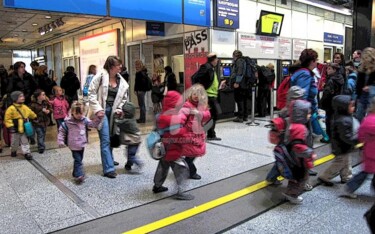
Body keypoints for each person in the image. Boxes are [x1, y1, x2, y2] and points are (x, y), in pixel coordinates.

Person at [88, 55, 129, 179]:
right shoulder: (100, 76)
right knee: (105, 139)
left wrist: (119, 108)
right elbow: (91, 93)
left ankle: (109, 159)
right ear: (111, 67)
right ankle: (108, 168)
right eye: (118, 65)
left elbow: (124, 98)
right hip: (101, 112)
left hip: (113, 113)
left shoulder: (121, 81)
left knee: (111, 136)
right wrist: (98, 109)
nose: (120, 67)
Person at [152, 90, 194, 200]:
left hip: (163, 148)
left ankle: (157, 186)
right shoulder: (176, 119)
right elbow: (180, 134)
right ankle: (181, 192)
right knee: (182, 169)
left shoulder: (160, 116)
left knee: (162, 167)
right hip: (173, 149)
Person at [57, 101, 103, 184]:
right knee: (78, 160)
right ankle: (79, 175)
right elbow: (61, 131)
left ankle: (75, 173)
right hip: (73, 145)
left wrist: (98, 118)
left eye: (81, 113)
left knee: (79, 159)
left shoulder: (84, 120)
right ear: (72, 112)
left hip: (82, 144)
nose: (79, 115)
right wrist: (60, 141)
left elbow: (92, 124)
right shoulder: (68, 122)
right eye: (77, 113)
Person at [318, 95, 358, 186]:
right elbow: (345, 137)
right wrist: (355, 140)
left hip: (344, 146)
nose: (354, 108)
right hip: (341, 146)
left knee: (347, 161)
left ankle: (346, 176)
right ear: (343, 108)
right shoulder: (342, 121)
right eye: (351, 106)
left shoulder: (343, 117)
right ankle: (325, 176)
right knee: (340, 162)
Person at [291, 49, 329, 143]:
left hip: (302, 112)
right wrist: (306, 114)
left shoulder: (301, 72)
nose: (317, 62)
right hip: (303, 114)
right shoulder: (305, 74)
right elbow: (302, 95)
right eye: (316, 60)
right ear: (311, 61)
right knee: (304, 142)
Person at [283, 100, 316, 204]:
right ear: (301, 114)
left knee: (295, 178)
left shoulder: (294, 124)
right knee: (301, 178)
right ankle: (293, 195)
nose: (310, 116)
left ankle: (290, 192)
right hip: (300, 160)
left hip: (294, 159)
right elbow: (298, 146)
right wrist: (309, 153)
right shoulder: (300, 128)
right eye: (308, 113)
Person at [343, 96, 375, 198]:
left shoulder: (369, 118)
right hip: (372, 153)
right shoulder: (371, 120)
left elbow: (361, 134)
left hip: (370, 151)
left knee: (367, 172)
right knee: (365, 173)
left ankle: (349, 187)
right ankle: (349, 187)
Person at [180, 84, 211, 180]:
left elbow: (208, 115)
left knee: (193, 154)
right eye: (194, 94)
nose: (196, 96)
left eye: (198, 94)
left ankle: (183, 167)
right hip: (189, 134)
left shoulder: (203, 105)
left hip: (198, 134)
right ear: (190, 95)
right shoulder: (187, 105)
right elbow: (182, 116)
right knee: (190, 155)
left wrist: (199, 113)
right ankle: (192, 172)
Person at [193, 53, 226, 140]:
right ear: (213, 60)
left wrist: (219, 86)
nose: (217, 61)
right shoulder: (206, 67)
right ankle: (209, 134)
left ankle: (209, 134)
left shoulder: (211, 68)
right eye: (216, 59)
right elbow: (194, 78)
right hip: (208, 96)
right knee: (213, 115)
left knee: (213, 115)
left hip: (212, 95)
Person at [4, 91, 37, 160]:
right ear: (15, 98)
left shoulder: (24, 107)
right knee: (14, 142)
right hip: (15, 129)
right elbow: (7, 118)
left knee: (25, 141)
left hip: (24, 128)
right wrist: (10, 126)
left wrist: (34, 117)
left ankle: (27, 153)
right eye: (20, 96)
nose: (23, 97)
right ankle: (13, 150)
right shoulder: (11, 109)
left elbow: (30, 112)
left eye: (23, 96)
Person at [113, 101, 143, 172]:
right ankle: (128, 165)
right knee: (130, 153)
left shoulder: (127, 121)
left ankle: (139, 163)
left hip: (133, 141)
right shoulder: (131, 119)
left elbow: (117, 122)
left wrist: (115, 115)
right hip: (135, 141)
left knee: (130, 155)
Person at [319, 63, 345, 139]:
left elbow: (327, 94)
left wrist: (321, 103)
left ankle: (329, 136)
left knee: (329, 120)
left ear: (334, 70)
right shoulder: (340, 78)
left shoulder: (331, 80)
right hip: (338, 102)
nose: (327, 70)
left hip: (330, 103)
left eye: (329, 68)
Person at [355, 47, 375, 122]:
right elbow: (358, 85)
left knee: (371, 116)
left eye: (366, 57)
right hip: (362, 96)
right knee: (359, 115)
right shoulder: (362, 69)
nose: (364, 59)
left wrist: (370, 87)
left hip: (372, 96)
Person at [30, 89, 52, 154]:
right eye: (43, 95)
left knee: (43, 134)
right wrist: (40, 111)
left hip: (45, 121)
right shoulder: (33, 105)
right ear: (38, 97)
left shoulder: (45, 102)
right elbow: (30, 113)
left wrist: (49, 111)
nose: (45, 96)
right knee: (40, 134)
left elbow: (50, 108)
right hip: (37, 122)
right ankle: (41, 147)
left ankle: (41, 144)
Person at [230, 50, 248, 123]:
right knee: (244, 100)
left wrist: (237, 82)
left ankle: (240, 117)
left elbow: (239, 72)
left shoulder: (239, 61)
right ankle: (245, 116)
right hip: (244, 84)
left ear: (235, 56)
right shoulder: (244, 61)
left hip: (240, 84)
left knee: (239, 100)